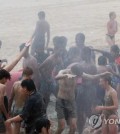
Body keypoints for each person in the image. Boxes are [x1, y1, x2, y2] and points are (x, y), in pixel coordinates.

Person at [55, 64, 111, 134]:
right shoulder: (63, 72)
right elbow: (56, 77)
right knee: (61, 127)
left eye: (79, 76)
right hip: (62, 101)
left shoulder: (79, 74)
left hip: (71, 102)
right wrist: (66, 75)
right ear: (72, 72)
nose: (78, 78)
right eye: (77, 76)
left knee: (73, 127)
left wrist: (104, 74)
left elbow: (92, 77)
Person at [39, 37, 63, 109]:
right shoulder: (50, 59)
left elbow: (61, 66)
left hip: (50, 78)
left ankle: (59, 108)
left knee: (54, 93)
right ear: (55, 50)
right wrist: (46, 79)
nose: (60, 52)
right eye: (59, 50)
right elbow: (40, 68)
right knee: (44, 96)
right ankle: (43, 111)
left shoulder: (58, 57)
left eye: (61, 51)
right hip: (45, 79)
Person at [8, 67, 33, 134]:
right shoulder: (30, 85)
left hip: (15, 108)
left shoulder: (15, 83)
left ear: (23, 74)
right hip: (24, 110)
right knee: (27, 127)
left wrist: (9, 110)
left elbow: (10, 98)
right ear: (30, 75)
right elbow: (32, 99)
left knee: (16, 128)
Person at [0, 69, 11, 134]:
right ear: (3, 78)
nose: (6, 81)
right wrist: (6, 115)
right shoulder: (2, 86)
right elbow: (1, 103)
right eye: (6, 79)